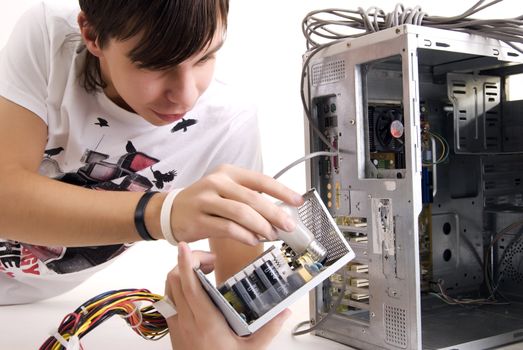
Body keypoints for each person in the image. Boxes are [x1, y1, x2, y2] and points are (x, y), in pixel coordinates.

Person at [0, 0, 302, 347]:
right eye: (156, 65)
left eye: (205, 58)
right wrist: (163, 213)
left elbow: (245, 312)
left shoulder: (229, 125)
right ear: (92, 35)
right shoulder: (51, 39)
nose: (186, 96)